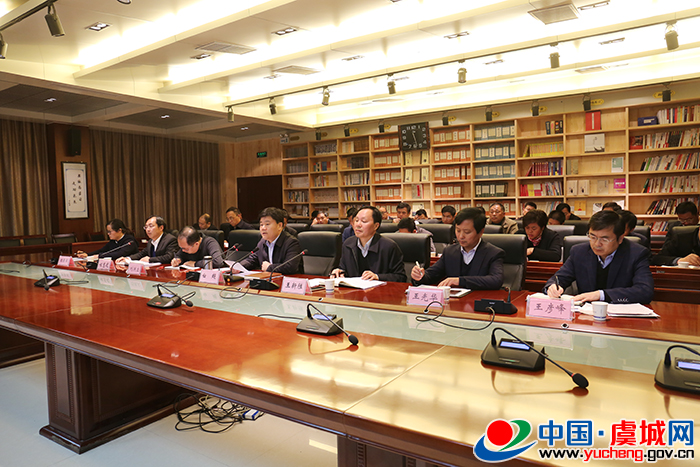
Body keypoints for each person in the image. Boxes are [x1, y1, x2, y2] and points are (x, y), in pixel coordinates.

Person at [544, 211, 654, 304]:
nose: (597, 244)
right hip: (585, 315)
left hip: (621, 316)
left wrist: (601, 295)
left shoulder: (636, 254)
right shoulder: (579, 252)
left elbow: (645, 291)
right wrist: (552, 287)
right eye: (592, 237)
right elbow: (559, 278)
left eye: (604, 239)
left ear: (620, 238)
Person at [411, 207, 504, 289]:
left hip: (479, 301)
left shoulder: (493, 253)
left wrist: (460, 281)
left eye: (467, 232)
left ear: (481, 232)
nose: (461, 236)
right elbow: (431, 275)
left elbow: (496, 280)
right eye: (458, 230)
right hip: (453, 302)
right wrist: (419, 276)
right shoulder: (449, 252)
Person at [331, 206, 406, 282]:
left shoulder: (389, 247)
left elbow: (400, 277)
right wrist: (339, 271)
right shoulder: (348, 244)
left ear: (376, 226)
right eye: (356, 220)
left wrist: (377, 277)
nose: (358, 225)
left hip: (379, 289)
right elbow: (343, 268)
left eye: (364, 221)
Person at [236, 207, 302, 275]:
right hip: (269, 279)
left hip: (289, 279)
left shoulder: (291, 242)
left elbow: (290, 267)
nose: (263, 228)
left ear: (279, 226)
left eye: (267, 224)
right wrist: (237, 267)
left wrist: (270, 267)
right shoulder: (263, 242)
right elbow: (252, 260)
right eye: (261, 225)